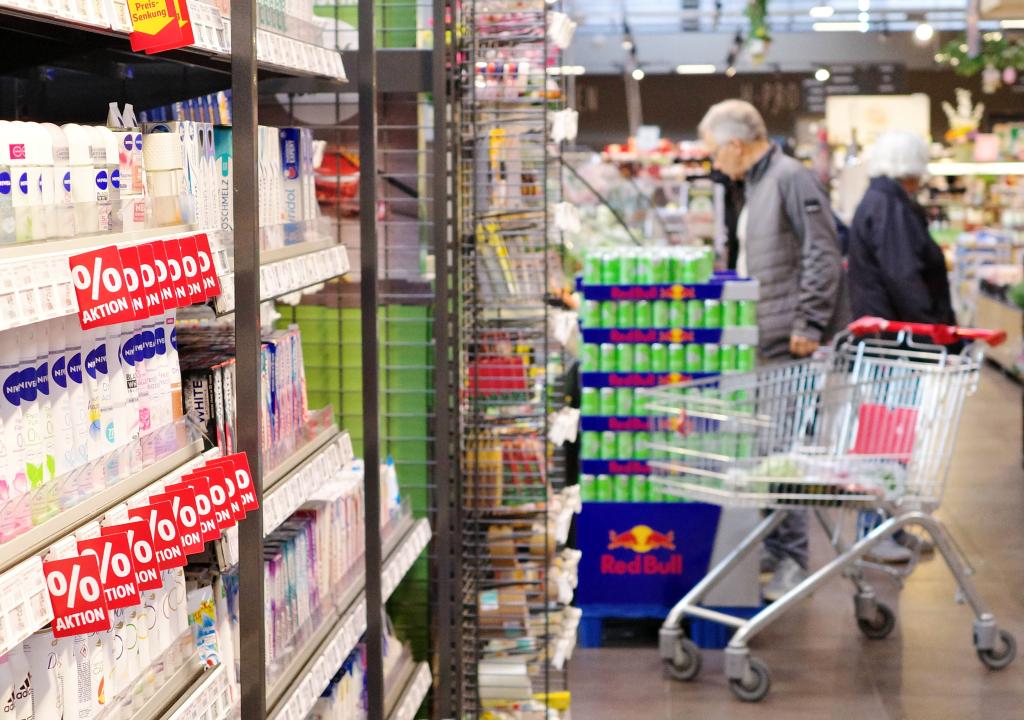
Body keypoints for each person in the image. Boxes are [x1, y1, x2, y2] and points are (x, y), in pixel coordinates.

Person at [698, 100, 849, 601]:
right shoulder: (757, 182)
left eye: (715, 153)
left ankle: (793, 560)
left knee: (785, 455)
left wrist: (808, 320)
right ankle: (775, 544)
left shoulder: (789, 178)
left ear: (735, 144)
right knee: (769, 453)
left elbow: (823, 252)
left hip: (789, 339)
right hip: (765, 338)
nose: (715, 164)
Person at [847, 130, 949, 562]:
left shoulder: (879, 201)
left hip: (886, 340)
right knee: (887, 441)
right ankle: (875, 531)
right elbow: (903, 275)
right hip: (897, 343)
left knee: (890, 439)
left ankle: (887, 524)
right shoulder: (891, 207)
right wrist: (933, 331)